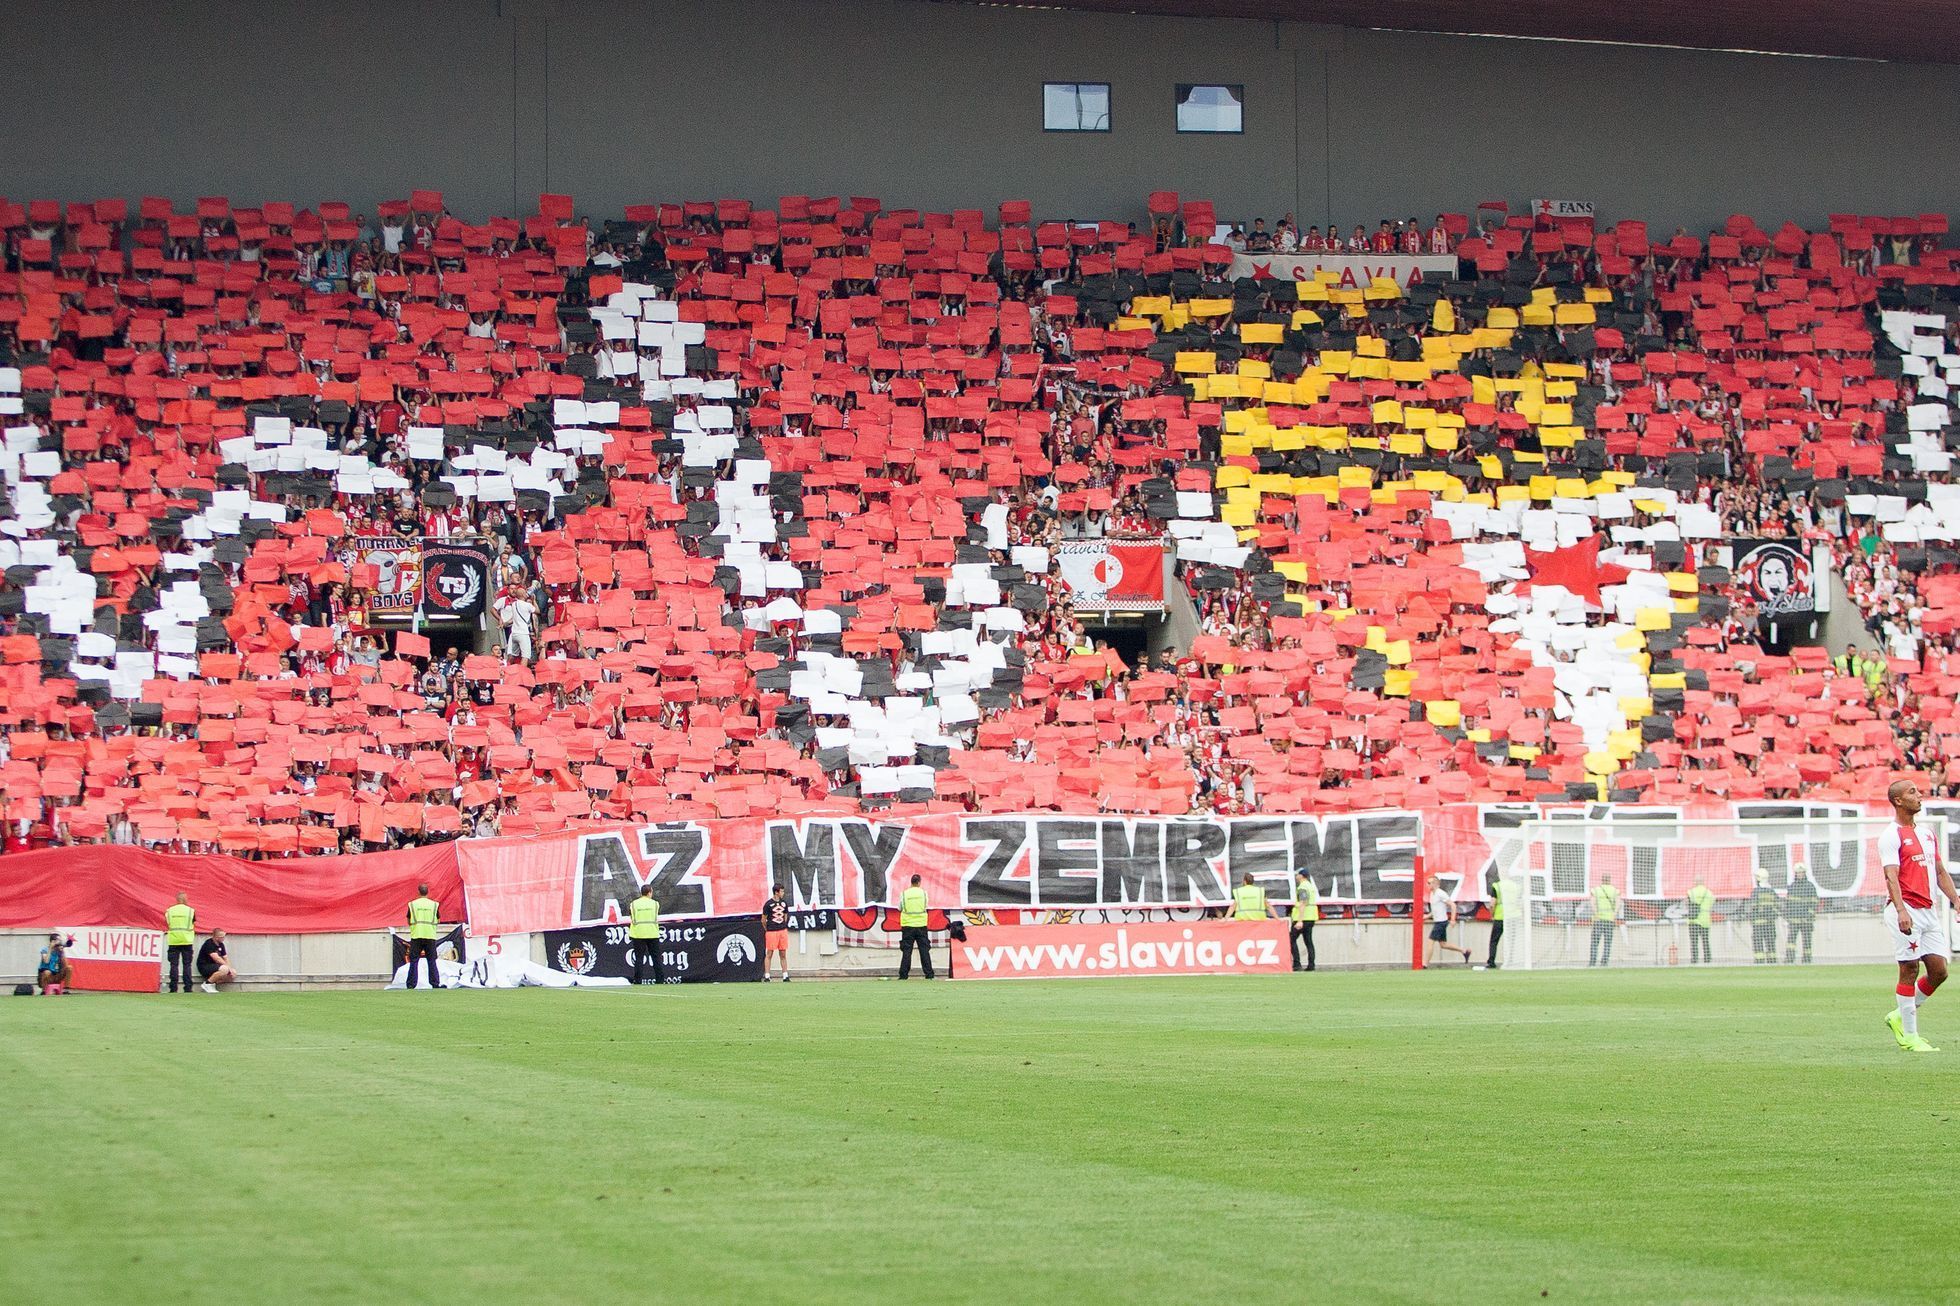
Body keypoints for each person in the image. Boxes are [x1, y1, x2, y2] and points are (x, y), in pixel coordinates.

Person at [1880, 779, 1958, 1052]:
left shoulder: (1926, 834)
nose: (1919, 795)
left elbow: (1938, 871)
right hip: (1906, 910)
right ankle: (1911, 1037)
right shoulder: (1890, 835)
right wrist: (1901, 910)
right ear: (1898, 801)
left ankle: (1900, 1015)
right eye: (1912, 792)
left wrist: (1956, 901)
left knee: (1939, 971)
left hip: (1928, 911)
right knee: (1909, 969)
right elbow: (1891, 876)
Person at [404, 883, 444, 989]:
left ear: (418, 892)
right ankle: (435, 983)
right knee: (432, 961)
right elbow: (438, 919)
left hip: (417, 935)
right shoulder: (434, 905)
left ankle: (411, 984)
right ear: (428, 892)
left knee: (414, 961)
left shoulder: (412, 904)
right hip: (430, 935)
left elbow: (408, 919)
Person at [1426, 882, 1472, 966]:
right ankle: (1464, 951)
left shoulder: (1441, 893)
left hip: (1441, 922)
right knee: (1443, 944)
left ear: (1435, 884)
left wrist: (1453, 919)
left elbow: (1453, 905)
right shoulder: (1432, 894)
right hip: (1439, 921)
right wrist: (1427, 916)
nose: (1427, 885)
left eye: (1429, 883)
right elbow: (1436, 909)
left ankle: (1425, 964)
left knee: (1430, 941)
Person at [897, 874, 933, 979]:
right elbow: (926, 906)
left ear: (911, 882)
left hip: (907, 925)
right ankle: (929, 974)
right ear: (919, 882)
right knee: (924, 950)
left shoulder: (904, 894)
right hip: (921, 924)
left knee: (907, 951)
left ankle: (903, 975)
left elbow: (900, 907)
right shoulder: (923, 893)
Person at [628, 883, 664, 985]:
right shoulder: (655, 904)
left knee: (639, 958)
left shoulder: (634, 904)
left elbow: (632, 917)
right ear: (649, 892)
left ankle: (638, 980)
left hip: (638, 933)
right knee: (656, 958)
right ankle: (660, 980)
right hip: (652, 933)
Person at [1783, 863, 1818, 964]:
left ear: (1805, 873)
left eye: (1802, 873)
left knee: (1807, 940)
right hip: (1794, 920)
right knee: (1791, 940)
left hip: (1806, 920)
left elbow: (1814, 902)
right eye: (1798, 873)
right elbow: (1788, 903)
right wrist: (1787, 914)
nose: (1800, 875)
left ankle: (1807, 959)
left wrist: (1810, 914)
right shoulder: (1792, 887)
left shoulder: (1810, 886)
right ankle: (1789, 958)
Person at [164, 891, 197, 994]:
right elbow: (193, 921)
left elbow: (168, 922)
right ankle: (188, 987)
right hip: (187, 940)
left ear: (177, 899)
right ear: (185, 899)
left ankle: (173, 988)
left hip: (173, 940)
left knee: (174, 965)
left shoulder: (169, 911)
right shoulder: (190, 911)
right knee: (187, 964)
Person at [1747, 871, 1780, 964]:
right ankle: (1772, 961)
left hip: (1758, 923)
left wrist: (1750, 917)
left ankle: (1759, 960)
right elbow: (1777, 906)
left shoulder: (1756, 891)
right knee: (1770, 943)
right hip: (1770, 923)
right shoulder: (1772, 891)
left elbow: (1752, 907)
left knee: (1758, 942)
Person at [761, 883, 792, 982]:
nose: (783, 893)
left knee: (783, 953)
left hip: (782, 930)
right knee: (769, 953)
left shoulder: (784, 903)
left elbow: (785, 916)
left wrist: (783, 924)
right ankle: (767, 976)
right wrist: (767, 928)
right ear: (776, 892)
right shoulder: (768, 904)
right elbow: (763, 919)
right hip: (771, 931)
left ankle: (785, 975)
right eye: (781, 891)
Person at [1288, 870, 1318, 972]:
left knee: (1291, 939)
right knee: (1308, 941)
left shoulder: (1302, 887)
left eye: (1298, 874)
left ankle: (1296, 964)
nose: (1296, 876)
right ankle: (1311, 965)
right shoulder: (1310, 886)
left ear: (1302, 876)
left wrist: (1299, 920)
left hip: (1302, 918)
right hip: (1311, 917)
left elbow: (1303, 903)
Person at [1589, 878, 1620, 967]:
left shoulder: (1596, 890)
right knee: (1607, 942)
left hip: (1598, 920)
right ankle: (1604, 962)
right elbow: (1618, 903)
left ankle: (1592, 962)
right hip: (1609, 920)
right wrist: (1614, 914)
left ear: (1602, 880)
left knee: (1595, 942)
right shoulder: (1615, 891)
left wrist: (1596, 914)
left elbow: (1592, 903)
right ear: (1610, 880)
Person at [196, 929, 238, 993]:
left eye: (224, 936)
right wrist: (228, 968)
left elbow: (225, 958)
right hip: (204, 966)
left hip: (215, 967)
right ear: (215, 937)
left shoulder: (221, 944)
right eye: (221, 937)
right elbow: (217, 958)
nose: (223, 938)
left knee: (233, 973)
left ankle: (213, 983)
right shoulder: (209, 943)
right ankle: (207, 984)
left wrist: (231, 969)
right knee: (225, 969)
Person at [1686, 880, 1715, 964]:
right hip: (1705, 919)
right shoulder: (1709, 892)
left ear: (1695, 882)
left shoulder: (1691, 892)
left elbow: (1687, 903)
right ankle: (1707, 959)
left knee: (1694, 941)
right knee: (1705, 940)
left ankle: (1694, 960)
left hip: (1693, 920)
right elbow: (1712, 903)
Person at [1484, 872, 1508, 970]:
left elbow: (1492, 904)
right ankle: (1512, 960)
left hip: (1499, 917)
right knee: (1512, 941)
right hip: (1513, 916)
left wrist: (1492, 915)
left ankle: (1491, 962)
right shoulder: (1515, 886)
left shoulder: (1497, 886)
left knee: (1494, 941)